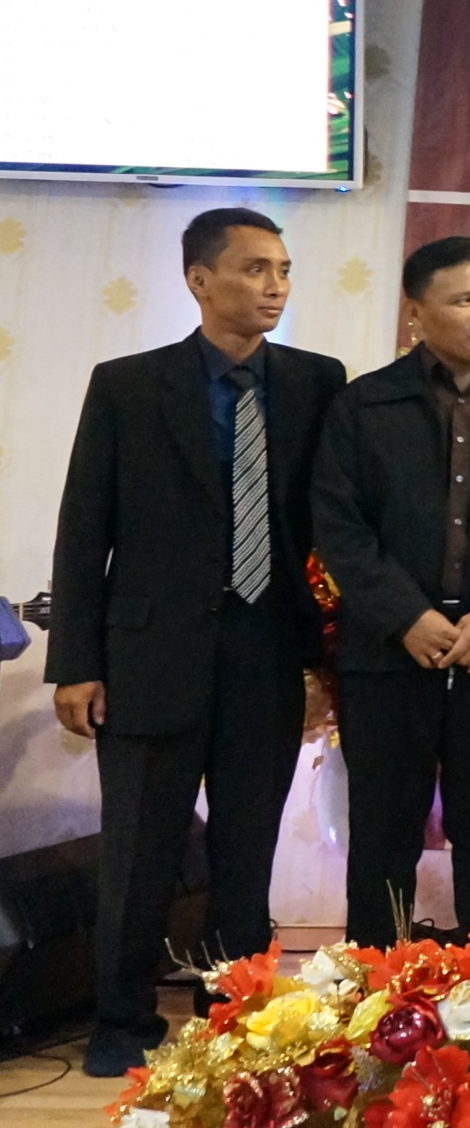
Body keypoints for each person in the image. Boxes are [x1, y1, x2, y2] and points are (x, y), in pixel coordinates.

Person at [49, 208, 347, 1077]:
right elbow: (84, 530)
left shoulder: (318, 381)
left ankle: (234, 1014)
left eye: (283, 270)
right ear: (198, 279)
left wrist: (326, 659)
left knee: (247, 852)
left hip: (266, 650)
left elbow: (332, 522)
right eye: (255, 269)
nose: (275, 287)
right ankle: (121, 1019)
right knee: (139, 853)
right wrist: (76, 664)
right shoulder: (129, 384)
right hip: (149, 655)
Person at [311, 236, 470, 948]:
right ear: (417, 312)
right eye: (464, 300)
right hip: (388, 652)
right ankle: (375, 977)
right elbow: (339, 525)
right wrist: (406, 616)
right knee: (382, 829)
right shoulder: (363, 404)